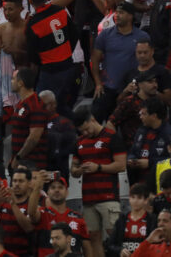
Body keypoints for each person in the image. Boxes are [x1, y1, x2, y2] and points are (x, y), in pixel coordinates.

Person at [70, 105, 127, 257]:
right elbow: (73, 170)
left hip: (108, 196)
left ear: (93, 119)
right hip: (88, 198)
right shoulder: (79, 142)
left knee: (114, 234)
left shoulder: (111, 137)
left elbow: (121, 165)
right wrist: (79, 170)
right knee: (93, 236)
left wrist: (99, 167)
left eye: (87, 128)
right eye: (82, 131)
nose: (85, 133)